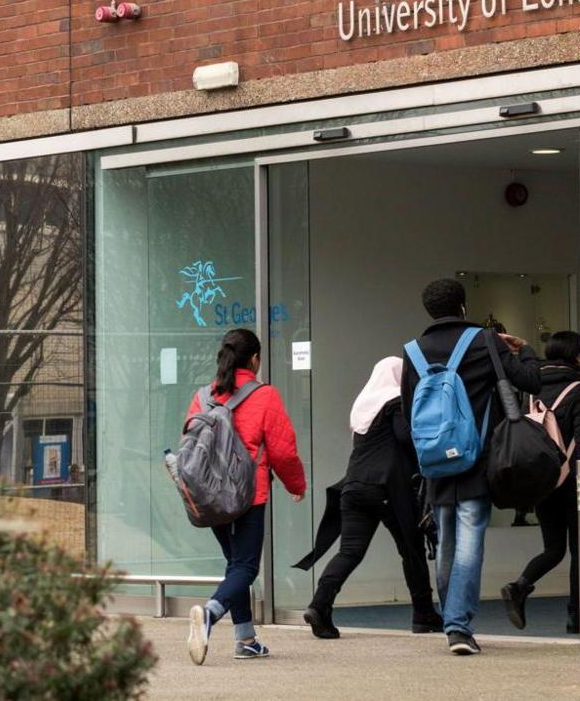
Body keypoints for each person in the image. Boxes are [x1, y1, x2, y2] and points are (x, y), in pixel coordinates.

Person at [398, 278, 543, 655]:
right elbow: (530, 381)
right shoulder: (485, 341)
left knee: (446, 540)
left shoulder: (412, 351)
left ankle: (451, 619)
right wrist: (524, 350)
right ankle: (458, 627)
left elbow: (406, 411)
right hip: (475, 458)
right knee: (470, 538)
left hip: (434, 460)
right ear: (463, 307)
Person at [293, 357, 439, 639]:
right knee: (412, 550)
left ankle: (319, 604)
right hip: (387, 489)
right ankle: (423, 614)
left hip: (354, 487)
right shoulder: (396, 400)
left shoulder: (364, 406)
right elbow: (405, 436)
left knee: (350, 551)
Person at [184, 328, 305, 665]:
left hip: (209, 496)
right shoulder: (264, 395)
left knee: (235, 565)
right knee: (246, 567)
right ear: (254, 360)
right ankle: (209, 615)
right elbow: (283, 451)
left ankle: (246, 639)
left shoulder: (203, 396)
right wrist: (296, 485)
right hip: (247, 495)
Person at [500, 330, 580, 634]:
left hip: (543, 481)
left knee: (554, 549)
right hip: (573, 480)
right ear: (578, 355)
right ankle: (577, 615)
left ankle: (520, 585)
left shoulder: (532, 390)